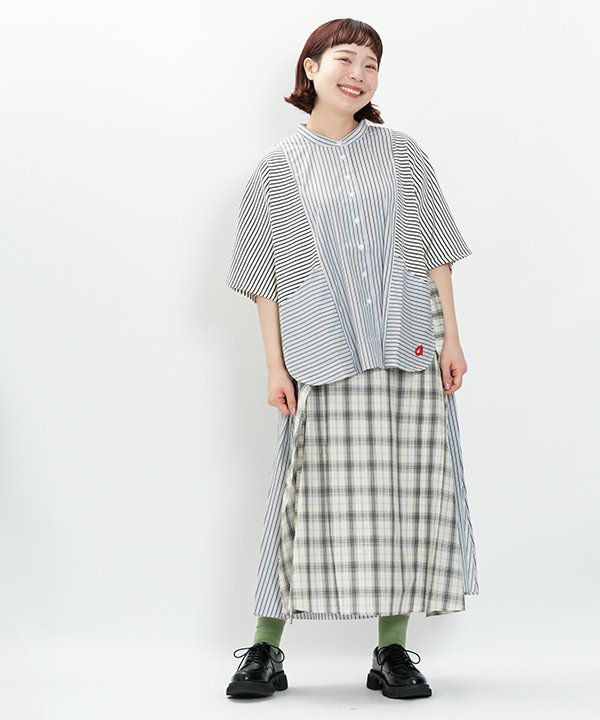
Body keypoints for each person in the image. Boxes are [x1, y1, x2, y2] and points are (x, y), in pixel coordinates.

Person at [224, 17, 479, 701]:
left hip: (408, 344)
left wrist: (453, 339)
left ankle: (391, 651)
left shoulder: (402, 154)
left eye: (371, 64)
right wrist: (274, 366)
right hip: (320, 349)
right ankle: (265, 649)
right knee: (299, 499)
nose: (359, 74)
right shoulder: (278, 169)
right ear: (310, 68)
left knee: (405, 496)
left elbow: (435, 251)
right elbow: (265, 276)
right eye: (345, 59)